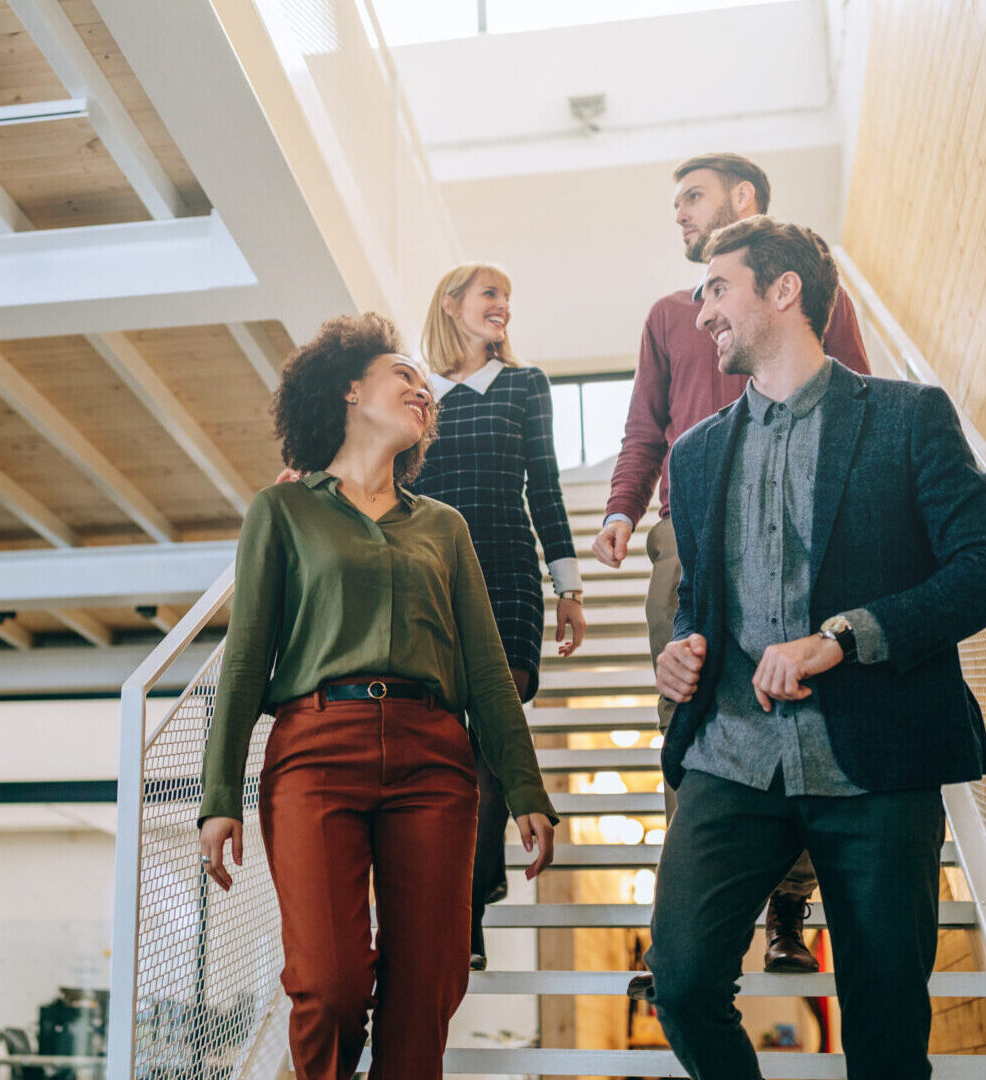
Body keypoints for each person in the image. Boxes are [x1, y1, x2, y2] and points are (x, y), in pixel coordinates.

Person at [645, 216, 986, 1079]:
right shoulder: (695, 454)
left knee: (886, 1023)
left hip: (877, 764)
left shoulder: (907, 417)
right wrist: (681, 651)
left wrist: (842, 640)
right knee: (679, 981)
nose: (699, 310)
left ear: (783, 291)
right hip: (730, 757)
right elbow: (700, 604)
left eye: (717, 288)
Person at [198, 313, 559, 1080]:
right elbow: (244, 660)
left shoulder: (444, 527)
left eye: (425, 384)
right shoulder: (283, 512)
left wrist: (524, 786)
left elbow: (489, 669)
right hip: (315, 752)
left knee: (426, 991)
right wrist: (218, 791)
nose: (421, 389)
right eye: (404, 375)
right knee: (329, 986)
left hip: (435, 759)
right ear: (350, 389)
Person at [592, 152, 872, 977]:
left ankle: (788, 912)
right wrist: (620, 506)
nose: (678, 213)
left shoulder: (815, 299)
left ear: (741, 199)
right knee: (687, 720)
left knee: (800, 714)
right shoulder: (667, 316)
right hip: (688, 539)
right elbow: (645, 426)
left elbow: (855, 397)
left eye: (692, 198)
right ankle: (677, 923)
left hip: (805, 535)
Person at [410, 262, 586, 972]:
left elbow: (543, 484)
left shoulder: (523, 385)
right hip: (430, 581)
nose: (502, 307)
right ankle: (460, 894)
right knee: (446, 750)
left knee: (487, 745)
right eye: (490, 295)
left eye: (507, 298)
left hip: (509, 575)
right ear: (450, 304)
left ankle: (466, 913)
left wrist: (567, 585)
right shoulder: (415, 394)